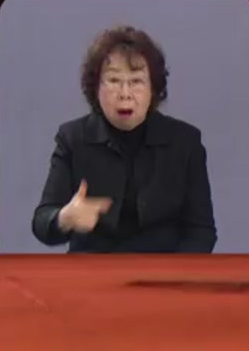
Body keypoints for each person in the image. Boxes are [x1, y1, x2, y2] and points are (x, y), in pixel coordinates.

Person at [31, 25, 216, 253]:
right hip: (90, 274)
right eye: (114, 80)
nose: (125, 93)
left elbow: (202, 231)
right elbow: (42, 221)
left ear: (153, 90)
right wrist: (64, 218)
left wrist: (173, 276)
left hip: (162, 274)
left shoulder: (185, 142)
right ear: (96, 88)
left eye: (136, 81)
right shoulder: (72, 138)